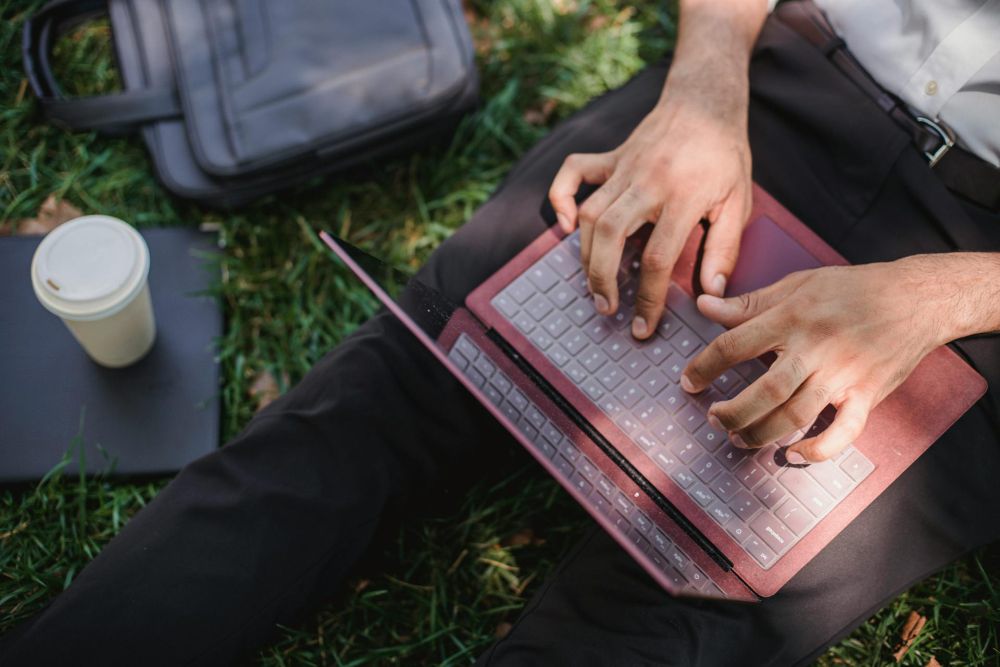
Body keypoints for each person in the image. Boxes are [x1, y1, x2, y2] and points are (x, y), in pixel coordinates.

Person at [2, 0, 998, 664]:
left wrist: (935, 298)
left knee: (669, 622)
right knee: (381, 407)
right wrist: (701, 87)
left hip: (977, 276)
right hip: (776, 88)